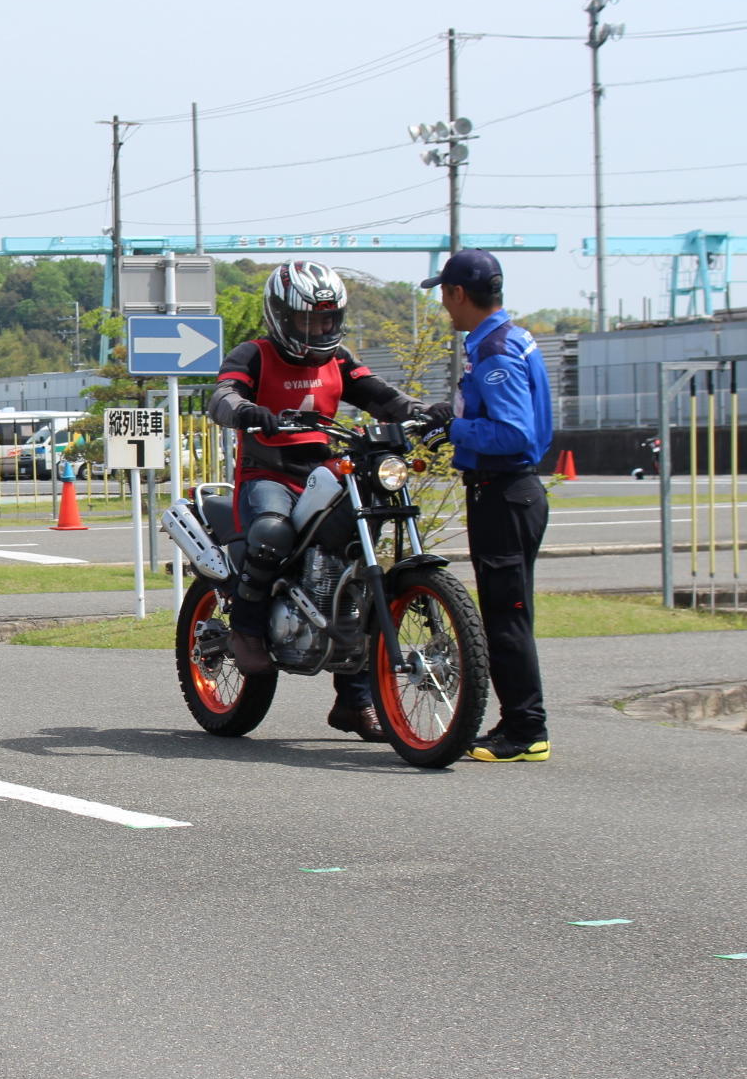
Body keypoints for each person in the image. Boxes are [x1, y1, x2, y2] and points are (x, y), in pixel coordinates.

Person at [207, 260, 430, 742]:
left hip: (325, 472)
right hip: (267, 474)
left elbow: (380, 396)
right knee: (272, 533)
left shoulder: (340, 360)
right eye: (310, 320)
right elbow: (221, 396)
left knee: (358, 559)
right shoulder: (255, 355)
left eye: (328, 320)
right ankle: (245, 631)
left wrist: (418, 412)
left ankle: (355, 700)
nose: (320, 329)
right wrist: (247, 411)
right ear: (282, 316)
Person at [418, 249, 555, 763]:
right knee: (507, 613)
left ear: (458, 293)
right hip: (511, 492)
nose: (443, 307)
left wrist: (451, 429)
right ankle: (519, 722)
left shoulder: (494, 349)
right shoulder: (509, 337)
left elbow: (513, 432)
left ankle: (526, 729)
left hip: (504, 492)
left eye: (444, 295)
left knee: (506, 616)